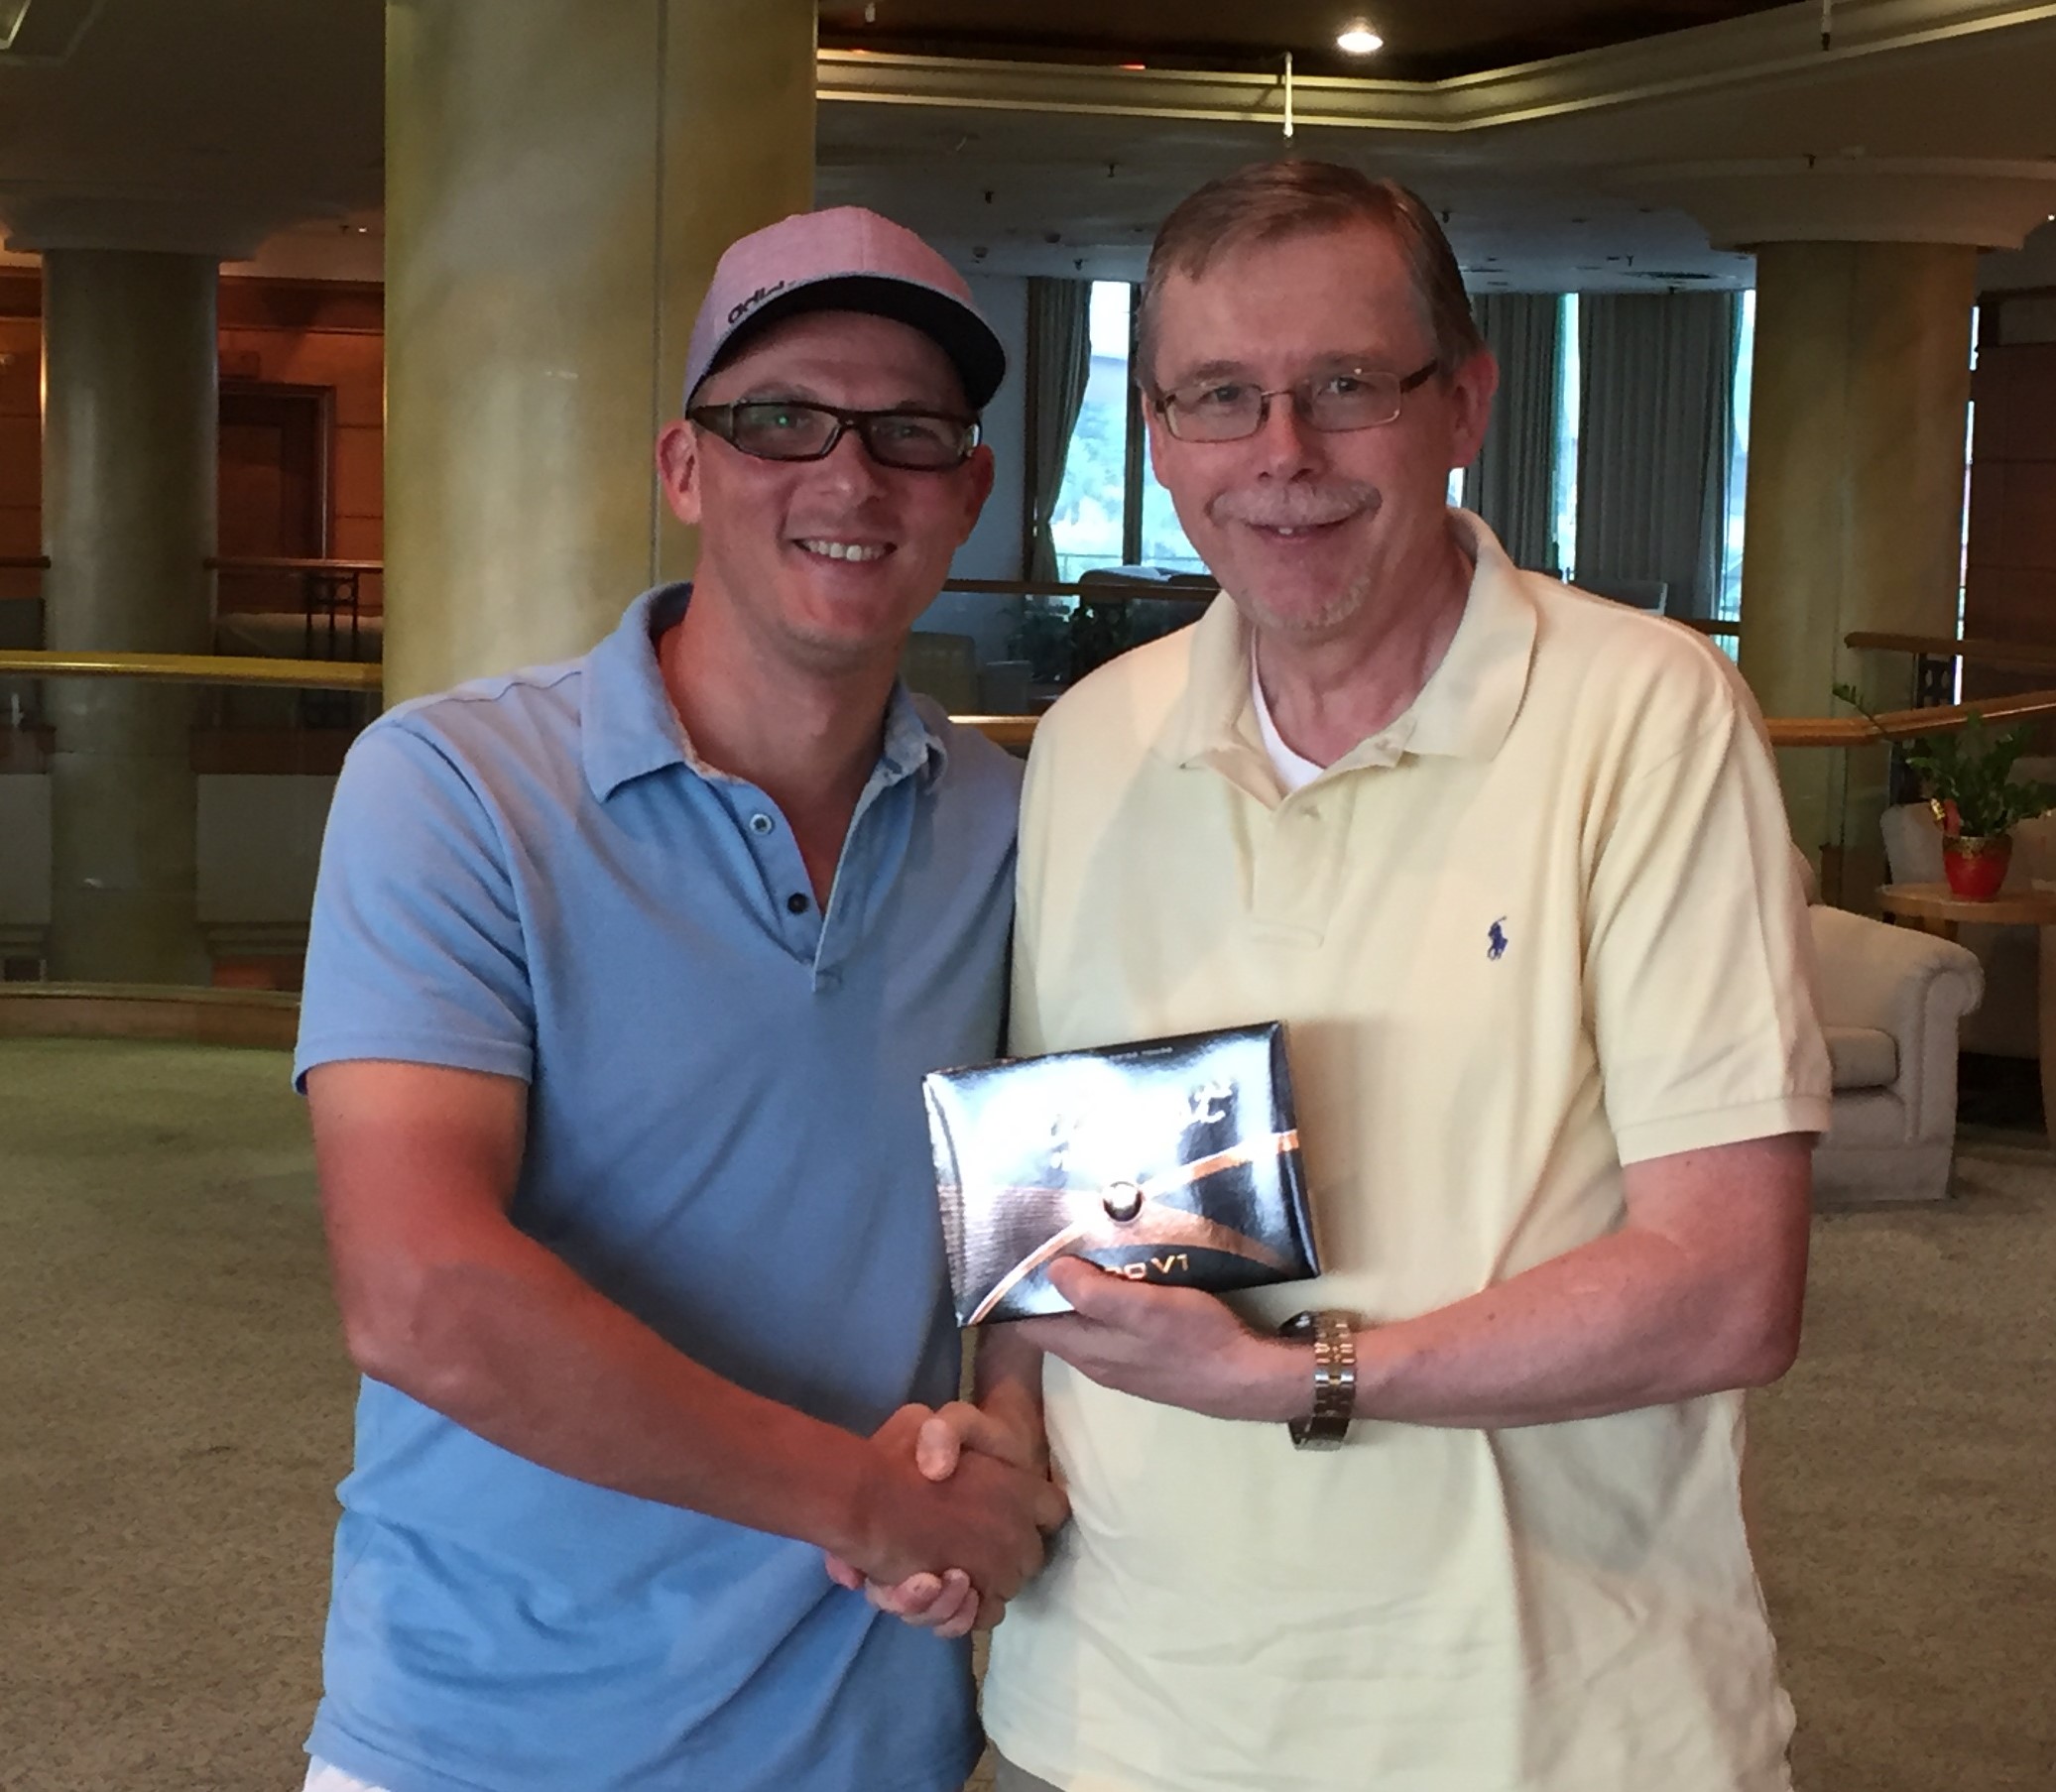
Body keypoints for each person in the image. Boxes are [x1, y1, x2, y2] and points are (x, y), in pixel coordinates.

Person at [922, 160, 1833, 1790]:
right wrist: (998, 1433)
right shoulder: (1093, 740)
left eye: (1344, 385)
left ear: (1461, 403)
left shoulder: (1645, 712)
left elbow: (1724, 1286)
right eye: (1219, 396)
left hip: (1539, 1730)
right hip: (1118, 1716)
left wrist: (1292, 1380)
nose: (1280, 453)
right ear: (1157, 435)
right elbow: (1064, 1218)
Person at [292, 205, 1065, 1792]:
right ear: (684, 467)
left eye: (909, 432)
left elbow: (1041, 1213)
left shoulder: (1016, 825)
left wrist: (1001, 1440)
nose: (848, 478)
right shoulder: (453, 788)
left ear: (969, 489)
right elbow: (422, 1291)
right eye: (779, 420)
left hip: (867, 1737)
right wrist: (862, 1498)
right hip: (488, 1738)